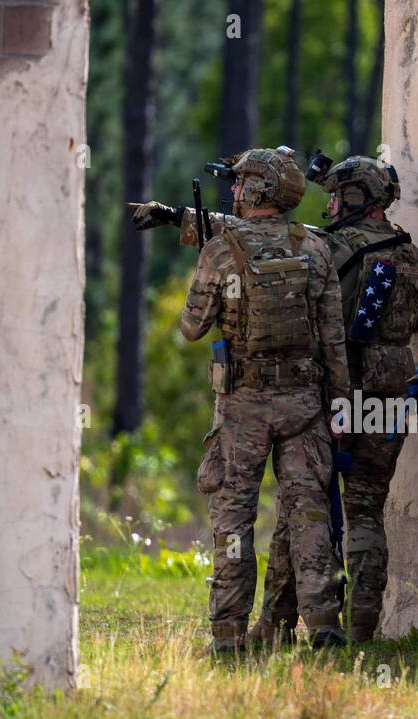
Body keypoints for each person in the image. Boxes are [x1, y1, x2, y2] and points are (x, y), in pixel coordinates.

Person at [130, 148, 352, 652]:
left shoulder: (220, 251)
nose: (233, 190)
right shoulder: (314, 248)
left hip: (242, 409)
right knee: (309, 514)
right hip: (305, 405)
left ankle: (228, 636)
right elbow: (333, 339)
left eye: (240, 183)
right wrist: (339, 406)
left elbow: (191, 329)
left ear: (256, 191)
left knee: (233, 520)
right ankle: (325, 627)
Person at [256, 155, 418, 645]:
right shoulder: (413, 255)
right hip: (393, 390)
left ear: (356, 197)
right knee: (366, 509)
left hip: (337, 389)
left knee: (303, 506)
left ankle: (276, 624)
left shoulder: (333, 247)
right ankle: (361, 629)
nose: (330, 204)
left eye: (336, 195)